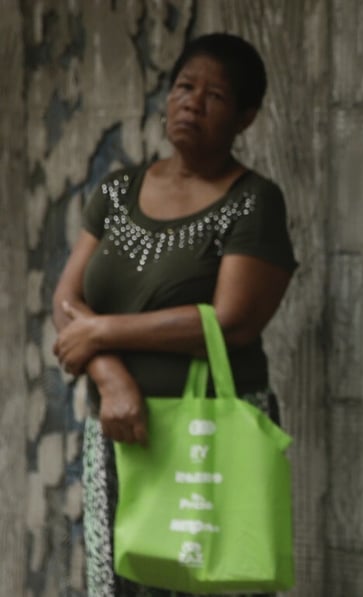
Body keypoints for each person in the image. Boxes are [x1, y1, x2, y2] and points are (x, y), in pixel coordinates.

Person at [51, 33, 297, 596]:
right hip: (119, 431)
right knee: (118, 583)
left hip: (213, 430)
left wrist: (102, 331)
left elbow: (230, 322)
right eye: (184, 87)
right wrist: (111, 379)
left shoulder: (253, 200)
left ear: (246, 116)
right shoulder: (117, 190)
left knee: (216, 580)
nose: (192, 102)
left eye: (214, 95)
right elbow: (66, 304)